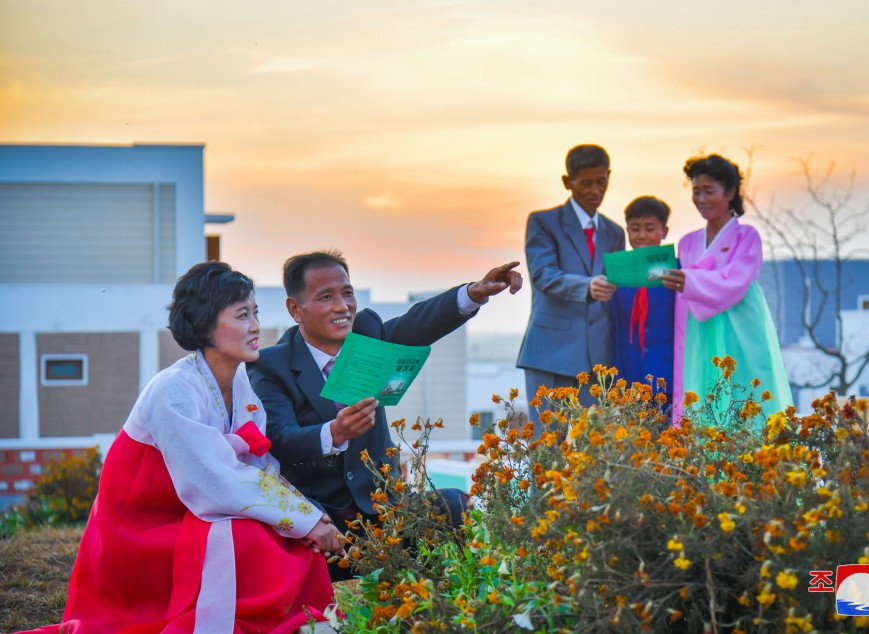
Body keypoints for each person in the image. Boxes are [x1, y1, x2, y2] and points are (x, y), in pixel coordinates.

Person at [26, 262, 340, 633]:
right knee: (251, 536)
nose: (256, 326)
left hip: (191, 508)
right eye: (242, 315)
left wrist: (307, 517)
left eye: (255, 313)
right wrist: (302, 517)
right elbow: (215, 482)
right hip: (142, 525)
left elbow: (257, 469)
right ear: (206, 325)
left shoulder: (241, 383)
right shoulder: (172, 390)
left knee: (286, 537)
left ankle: (298, 620)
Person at [247, 250, 521, 581]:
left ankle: (445, 604)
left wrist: (473, 293)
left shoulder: (366, 334)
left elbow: (417, 325)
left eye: (347, 293)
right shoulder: (270, 365)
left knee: (452, 504)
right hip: (324, 520)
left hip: (387, 510)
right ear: (295, 309)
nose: (342, 306)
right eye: (326, 297)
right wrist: (333, 433)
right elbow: (280, 437)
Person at [663, 154, 793, 422]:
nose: (701, 199)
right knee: (700, 393)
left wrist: (691, 281)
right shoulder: (687, 243)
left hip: (740, 329)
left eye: (709, 191)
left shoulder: (747, 237)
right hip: (699, 332)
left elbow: (735, 280)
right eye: (696, 191)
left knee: (745, 392)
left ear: (730, 192)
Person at [517, 144, 626, 423]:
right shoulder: (543, 222)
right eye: (586, 183)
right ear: (568, 182)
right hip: (551, 354)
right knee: (548, 449)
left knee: (593, 453)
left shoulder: (615, 233)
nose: (595, 190)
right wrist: (587, 287)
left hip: (599, 360)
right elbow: (543, 275)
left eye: (601, 182)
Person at [609, 196, 676, 403]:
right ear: (627, 230)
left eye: (650, 228)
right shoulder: (616, 274)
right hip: (628, 375)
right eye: (635, 229)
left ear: (664, 231)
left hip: (668, 375)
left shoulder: (677, 272)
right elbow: (614, 327)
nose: (642, 235)